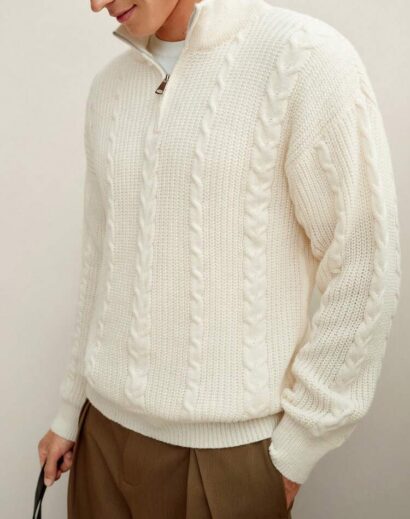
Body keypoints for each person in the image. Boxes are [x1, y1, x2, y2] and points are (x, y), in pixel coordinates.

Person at [37, 0, 401, 517]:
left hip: (227, 459)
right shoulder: (109, 89)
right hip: (102, 439)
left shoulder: (304, 59)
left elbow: (365, 267)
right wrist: (70, 410)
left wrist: (296, 452)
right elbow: (101, 263)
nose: (96, 4)